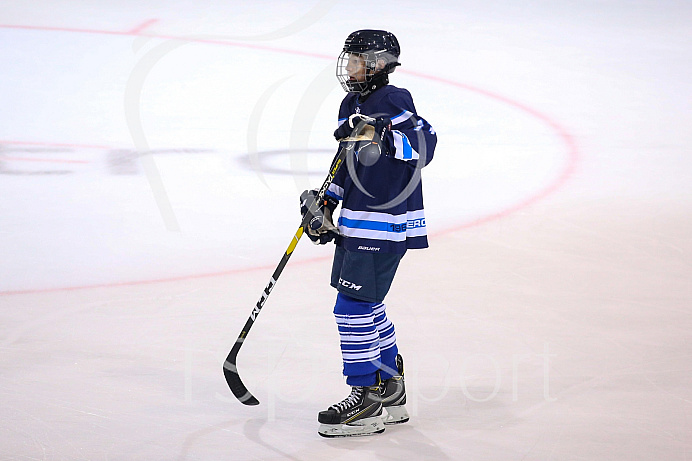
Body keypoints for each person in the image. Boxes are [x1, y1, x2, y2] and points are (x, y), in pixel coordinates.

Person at [300, 29, 437, 438]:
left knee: (351, 308)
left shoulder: (395, 100)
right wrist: (326, 201)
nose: (351, 68)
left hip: (384, 221)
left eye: (358, 60)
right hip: (354, 221)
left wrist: (385, 135)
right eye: (350, 59)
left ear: (378, 64)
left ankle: (366, 397)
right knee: (368, 305)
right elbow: (346, 162)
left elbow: (425, 146)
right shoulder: (349, 105)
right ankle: (391, 389)